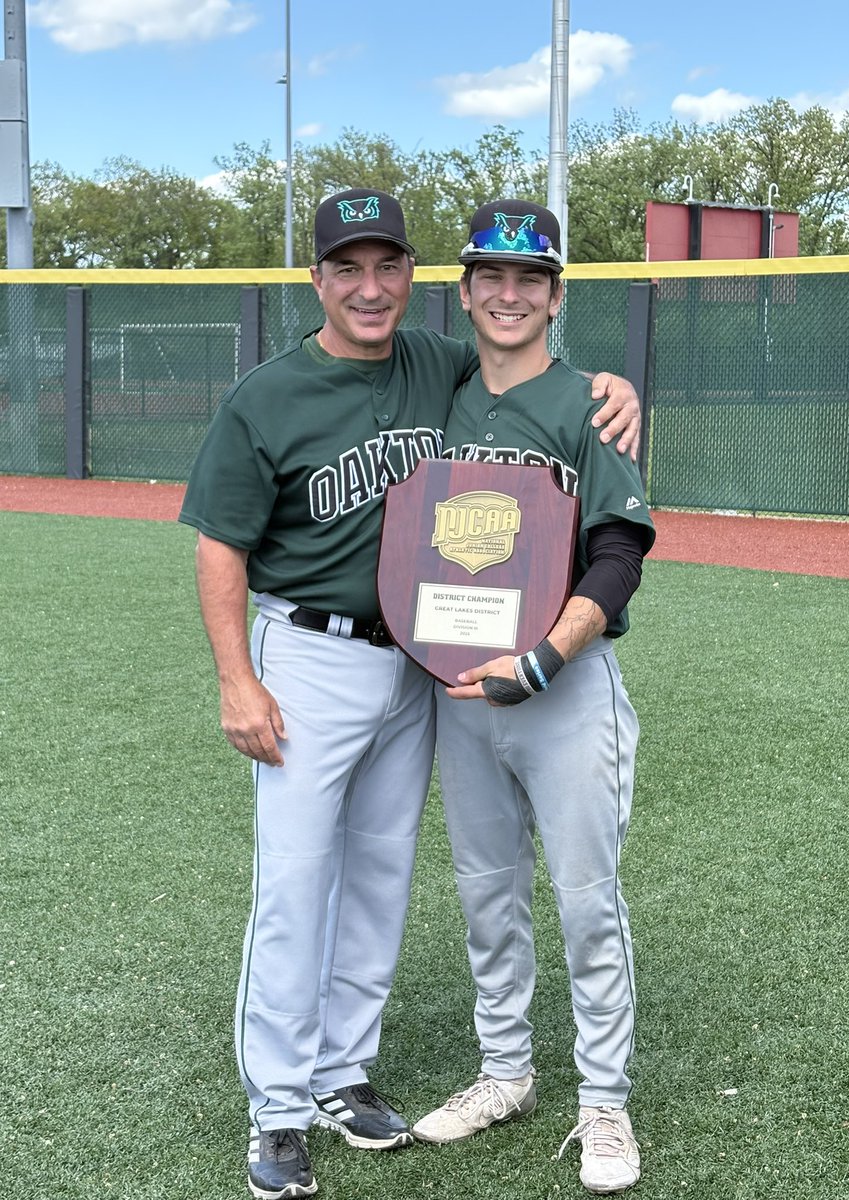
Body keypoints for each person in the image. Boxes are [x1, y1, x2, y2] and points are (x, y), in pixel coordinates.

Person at [178, 187, 642, 1200]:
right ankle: (281, 1108)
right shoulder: (273, 394)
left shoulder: (446, 366)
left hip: (430, 668)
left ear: (416, 279)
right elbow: (219, 543)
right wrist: (236, 678)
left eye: (387, 265)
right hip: (314, 656)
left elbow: (580, 466)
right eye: (348, 267)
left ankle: (349, 1073)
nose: (369, 286)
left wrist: (616, 388)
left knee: (391, 876)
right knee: (302, 881)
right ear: (318, 279)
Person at [411, 199, 656, 1196]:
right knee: (486, 895)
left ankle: (604, 1101)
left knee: (588, 904)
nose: (508, 294)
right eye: (491, 276)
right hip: (461, 688)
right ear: (466, 291)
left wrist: (546, 660)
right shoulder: (438, 393)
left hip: (563, 690)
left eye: (530, 279)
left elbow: (619, 553)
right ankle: (505, 1072)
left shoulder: (591, 405)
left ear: (556, 297)